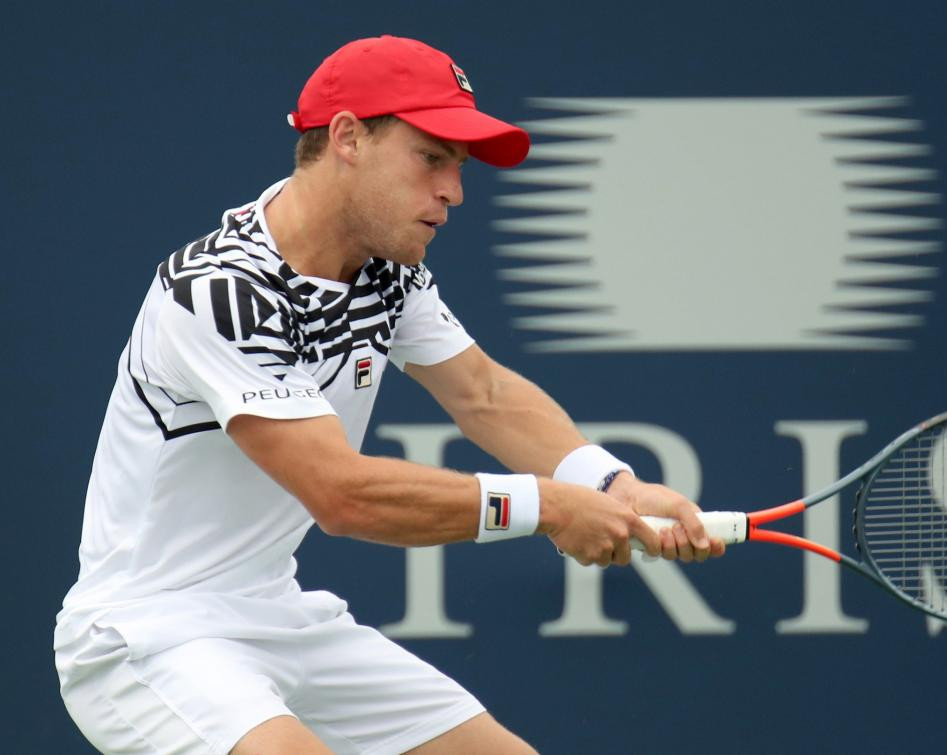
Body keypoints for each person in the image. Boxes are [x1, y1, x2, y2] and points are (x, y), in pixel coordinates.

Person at [54, 34, 723, 754]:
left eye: (459, 168)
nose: (454, 192)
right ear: (347, 137)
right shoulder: (218, 292)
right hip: (146, 633)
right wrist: (550, 505)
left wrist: (612, 483)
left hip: (278, 614)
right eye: (432, 157)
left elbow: (484, 394)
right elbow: (342, 495)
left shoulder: (385, 275)